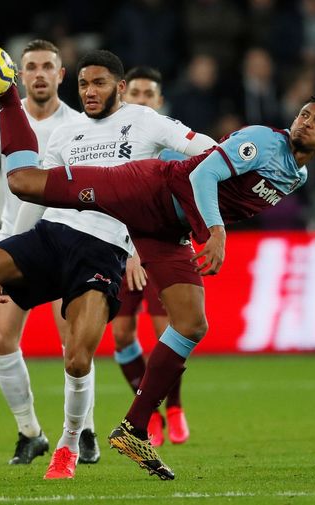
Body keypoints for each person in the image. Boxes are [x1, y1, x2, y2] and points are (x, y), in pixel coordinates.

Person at [0, 49, 216, 480]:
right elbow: (37, 192)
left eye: (99, 83)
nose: (89, 91)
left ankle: (68, 443)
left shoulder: (145, 121)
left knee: (77, 359)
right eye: (84, 84)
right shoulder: (66, 133)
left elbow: (208, 151)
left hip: (103, 251)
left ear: (120, 88)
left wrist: (188, 199)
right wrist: (10, 252)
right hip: (52, 235)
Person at [0, 88, 315, 480]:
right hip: (147, 189)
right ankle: (9, 100)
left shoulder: (298, 175)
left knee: (192, 323)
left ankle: (133, 429)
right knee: (26, 182)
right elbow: (203, 173)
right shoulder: (265, 141)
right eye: (304, 115)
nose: (307, 123)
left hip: (168, 228)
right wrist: (215, 231)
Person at [0, 40, 88, 466]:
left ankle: (82, 433)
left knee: (75, 346)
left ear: (61, 75)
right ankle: (30, 432)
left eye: (48, 66)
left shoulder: (80, 124)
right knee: (1, 339)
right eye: (31, 67)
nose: (40, 74)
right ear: (18, 74)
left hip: (67, 241)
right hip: (17, 243)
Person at [117, 65, 189, 447]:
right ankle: (152, 415)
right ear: (124, 95)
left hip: (158, 248)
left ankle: (174, 407)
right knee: (121, 334)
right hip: (118, 250)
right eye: (136, 93)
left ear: (159, 101)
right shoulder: (110, 141)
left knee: (166, 333)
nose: (142, 100)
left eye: (149, 95)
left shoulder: (173, 144)